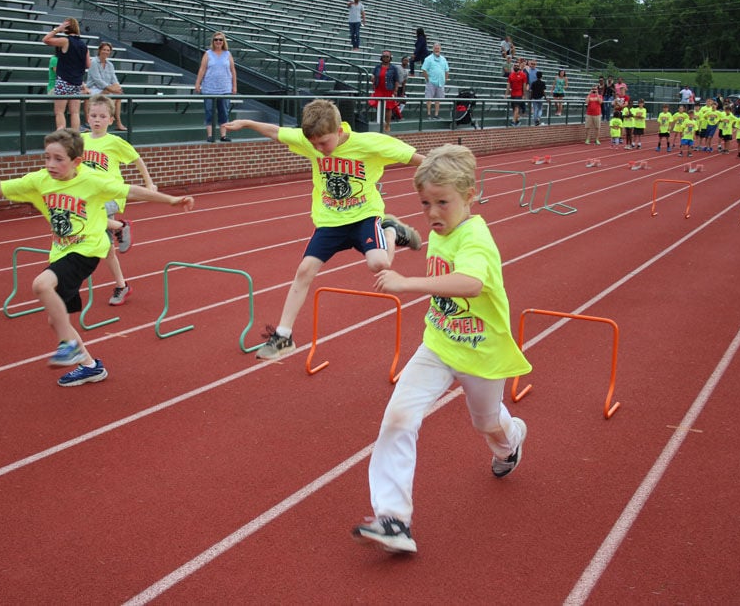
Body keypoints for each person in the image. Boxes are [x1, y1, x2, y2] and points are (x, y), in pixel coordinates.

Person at [352, 143, 531, 554]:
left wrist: (407, 284)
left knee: (488, 425)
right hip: (437, 344)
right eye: (425, 203)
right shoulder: (441, 230)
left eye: (443, 203)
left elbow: (471, 282)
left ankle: (511, 440)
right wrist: (398, 238)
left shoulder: (476, 238)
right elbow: (426, 249)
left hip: (482, 353)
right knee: (398, 418)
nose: (433, 213)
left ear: (471, 196)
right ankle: (393, 519)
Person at [0, 129, 193, 386]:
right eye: (47, 158)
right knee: (55, 320)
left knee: (41, 285)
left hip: (88, 249)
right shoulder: (40, 180)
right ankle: (90, 367)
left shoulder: (92, 181)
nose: (51, 165)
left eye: (58, 159)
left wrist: (171, 200)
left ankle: (69, 346)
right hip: (62, 250)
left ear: (76, 161)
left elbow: (132, 191)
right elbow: (0, 187)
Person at [223, 99, 425, 360]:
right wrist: (248, 123)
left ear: (339, 131)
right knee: (304, 270)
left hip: (364, 215)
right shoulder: (311, 141)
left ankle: (391, 231)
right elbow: (276, 132)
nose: (319, 149)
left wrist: (448, 170)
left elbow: (416, 158)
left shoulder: (370, 143)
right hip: (330, 221)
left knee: (379, 265)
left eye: (323, 143)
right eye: (314, 144)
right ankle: (283, 337)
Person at [82, 94, 157, 305]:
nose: (97, 120)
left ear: (110, 120)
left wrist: (149, 183)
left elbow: (137, 159)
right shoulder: (81, 141)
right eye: (93, 115)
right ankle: (122, 286)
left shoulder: (114, 142)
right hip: (90, 197)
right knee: (107, 249)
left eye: (102, 116)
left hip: (111, 196)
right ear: (87, 117)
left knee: (83, 214)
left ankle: (121, 225)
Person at [43, 17, 89, 131]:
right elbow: (88, 64)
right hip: (77, 82)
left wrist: (57, 29)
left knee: (59, 112)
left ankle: (62, 135)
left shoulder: (65, 41)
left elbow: (46, 40)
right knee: (75, 113)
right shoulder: (84, 45)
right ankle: (75, 136)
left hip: (64, 80)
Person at [194, 31, 237, 143]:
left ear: (223, 42)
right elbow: (202, 69)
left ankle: (223, 135)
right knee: (209, 112)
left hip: (224, 88)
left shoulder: (228, 54)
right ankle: (210, 135)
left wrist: (234, 86)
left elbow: (232, 70)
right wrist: (198, 83)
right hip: (209, 88)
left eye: (220, 40)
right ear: (213, 41)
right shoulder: (208, 54)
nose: (218, 42)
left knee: (224, 111)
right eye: (216, 39)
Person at [85, 41, 127, 131]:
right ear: (99, 50)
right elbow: (97, 80)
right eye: (104, 49)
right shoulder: (94, 62)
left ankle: (118, 122)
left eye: (108, 50)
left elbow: (114, 79)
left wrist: (118, 88)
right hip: (93, 88)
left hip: (107, 89)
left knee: (118, 95)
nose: (106, 52)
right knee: (112, 93)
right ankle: (112, 120)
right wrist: (112, 89)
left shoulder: (110, 64)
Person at [369, 50, 400, 133]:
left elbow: (396, 80)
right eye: (384, 56)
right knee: (378, 105)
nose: (385, 58)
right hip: (379, 89)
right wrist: (372, 78)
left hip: (389, 90)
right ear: (381, 58)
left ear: (390, 58)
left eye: (387, 56)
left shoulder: (393, 68)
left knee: (388, 107)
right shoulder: (377, 67)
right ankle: (380, 122)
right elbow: (373, 76)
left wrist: (395, 90)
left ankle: (387, 124)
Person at [421, 42, 449, 120]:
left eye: (438, 48)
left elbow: (447, 70)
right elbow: (424, 69)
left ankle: (436, 114)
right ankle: (429, 114)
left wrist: (445, 80)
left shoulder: (443, 59)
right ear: (433, 49)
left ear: (440, 49)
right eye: (435, 48)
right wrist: (427, 79)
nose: (437, 50)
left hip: (440, 82)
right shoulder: (428, 59)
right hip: (431, 82)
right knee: (429, 98)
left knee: (438, 99)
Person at [506, 60, 528, 127]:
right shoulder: (511, 75)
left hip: (519, 93)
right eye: (515, 65)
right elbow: (508, 85)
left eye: (517, 66)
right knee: (514, 108)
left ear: (519, 67)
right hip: (513, 93)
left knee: (516, 107)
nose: (516, 66)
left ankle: (513, 121)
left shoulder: (523, 75)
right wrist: (506, 94)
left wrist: (524, 94)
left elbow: (524, 85)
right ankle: (517, 120)